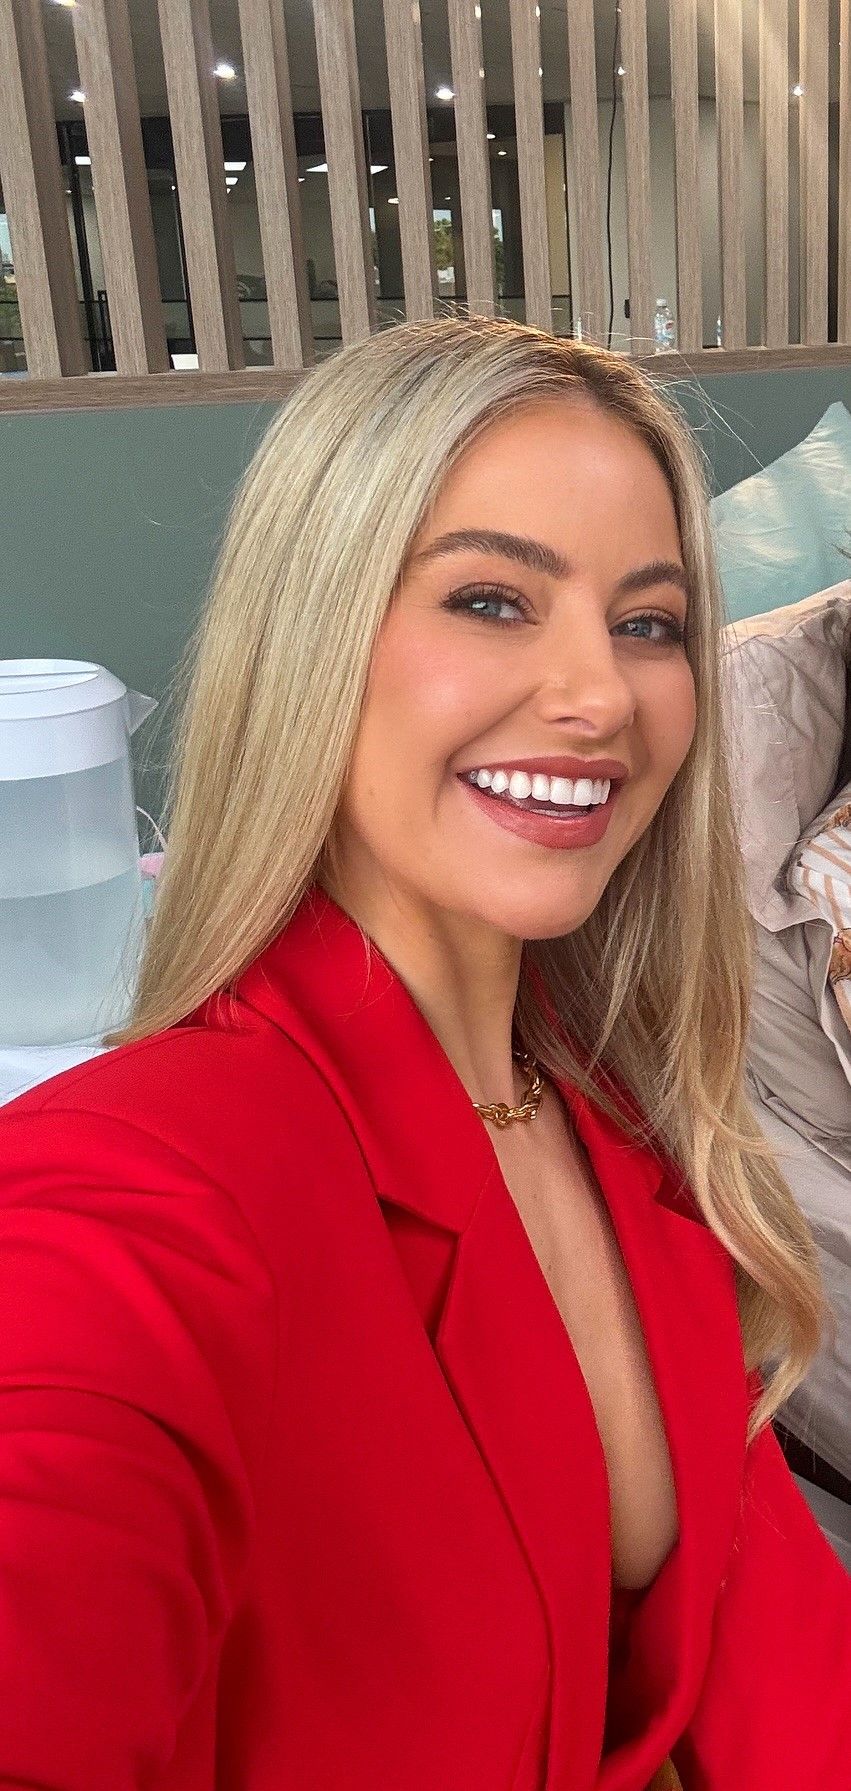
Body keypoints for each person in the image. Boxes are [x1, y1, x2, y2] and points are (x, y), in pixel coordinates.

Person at [0, 316, 848, 1791]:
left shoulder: (618, 1108)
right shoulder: (133, 1185)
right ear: (311, 639)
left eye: (648, 623)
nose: (600, 695)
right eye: (492, 599)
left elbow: (772, 1639)